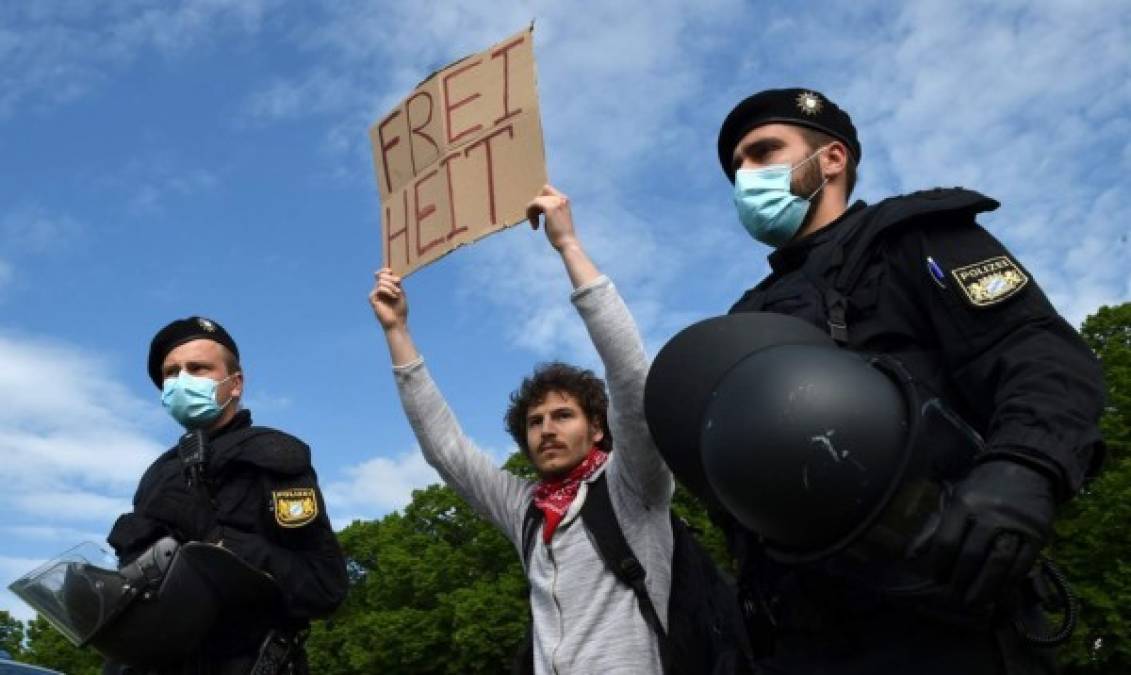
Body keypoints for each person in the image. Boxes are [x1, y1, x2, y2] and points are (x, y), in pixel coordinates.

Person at [708, 87, 1107, 674]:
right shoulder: (744, 319)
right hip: (797, 636)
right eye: (736, 166)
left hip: (939, 605)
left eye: (763, 151)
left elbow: (1034, 353)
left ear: (832, 159)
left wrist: (1025, 469)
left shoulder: (912, 239)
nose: (745, 175)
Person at [369, 184, 675, 674]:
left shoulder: (635, 483)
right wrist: (396, 332)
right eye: (535, 422)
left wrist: (568, 247)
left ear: (598, 429)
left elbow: (631, 378)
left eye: (562, 416)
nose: (546, 430)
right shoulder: (525, 510)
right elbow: (446, 450)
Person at [103, 316, 348, 674]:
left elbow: (324, 586)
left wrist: (217, 541)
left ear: (235, 384)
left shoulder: (271, 456)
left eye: (197, 368)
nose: (181, 381)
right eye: (171, 373)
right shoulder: (158, 474)